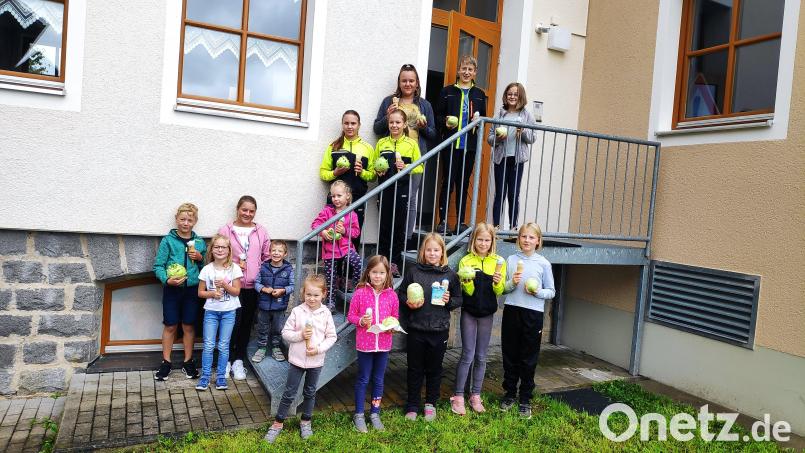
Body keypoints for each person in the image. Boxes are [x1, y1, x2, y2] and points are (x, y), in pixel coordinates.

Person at [264, 274, 337, 443]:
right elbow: (285, 333)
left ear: (324, 294)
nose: (312, 298)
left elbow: (331, 337)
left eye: (316, 295)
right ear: (304, 293)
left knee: (310, 392)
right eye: (308, 294)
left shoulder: (325, 313)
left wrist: (318, 349)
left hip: (316, 361)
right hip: (297, 360)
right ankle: (278, 422)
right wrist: (300, 335)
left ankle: (306, 421)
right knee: (289, 392)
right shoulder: (297, 311)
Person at [397, 233, 461, 422]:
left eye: (436, 250)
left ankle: (430, 403)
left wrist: (450, 301)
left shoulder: (449, 274)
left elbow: (459, 298)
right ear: (423, 252)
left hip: (439, 329)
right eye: (428, 250)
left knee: (434, 369)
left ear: (442, 253)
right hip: (416, 328)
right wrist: (407, 302)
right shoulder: (413, 271)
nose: (432, 253)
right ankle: (412, 404)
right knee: (415, 369)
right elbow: (401, 294)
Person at [374, 64, 437, 242]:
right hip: (390, 157)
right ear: (399, 82)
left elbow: (433, 135)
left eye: (411, 80)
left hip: (414, 156)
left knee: (409, 199)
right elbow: (377, 128)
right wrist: (387, 116)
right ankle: (387, 238)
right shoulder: (389, 101)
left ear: (417, 83)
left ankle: (406, 238)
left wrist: (424, 128)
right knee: (386, 198)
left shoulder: (424, 105)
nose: (407, 84)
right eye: (404, 80)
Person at [501, 222, 555, 419]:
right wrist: (511, 283)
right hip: (512, 310)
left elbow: (551, 292)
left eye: (532, 237)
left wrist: (537, 291)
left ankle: (525, 398)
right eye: (524, 236)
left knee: (528, 356)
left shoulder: (543, 263)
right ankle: (509, 393)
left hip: (533, 314)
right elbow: (504, 289)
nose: (527, 240)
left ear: (538, 241)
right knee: (510, 354)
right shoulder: (511, 259)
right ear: (518, 239)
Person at [450, 222, 506, 415]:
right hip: (469, 312)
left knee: (481, 356)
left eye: (487, 240)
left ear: (492, 242)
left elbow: (498, 292)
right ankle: (458, 396)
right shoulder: (466, 261)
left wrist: (499, 283)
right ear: (474, 240)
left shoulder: (499, 261)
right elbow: (469, 293)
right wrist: (467, 284)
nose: (483, 243)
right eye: (480, 239)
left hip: (487, 314)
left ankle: (475, 395)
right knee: (467, 354)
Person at [218, 195, 271, 381]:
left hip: (252, 287)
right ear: (237, 209)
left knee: (246, 324)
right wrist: (230, 268)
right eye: (244, 210)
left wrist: (262, 279)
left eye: (251, 211)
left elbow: (267, 257)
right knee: (230, 324)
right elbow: (218, 254)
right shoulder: (226, 230)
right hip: (231, 286)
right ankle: (225, 361)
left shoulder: (261, 231)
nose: (247, 214)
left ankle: (239, 360)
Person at [153, 202, 207, 381]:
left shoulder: (199, 243)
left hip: (191, 290)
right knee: (170, 325)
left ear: (195, 222)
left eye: (189, 220)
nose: (185, 223)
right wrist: (166, 280)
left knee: (189, 325)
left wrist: (200, 258)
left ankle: (188, 361)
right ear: (176, 220)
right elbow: (158, 265)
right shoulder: (168, 241)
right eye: (182, 219)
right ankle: (166, 362)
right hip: (172, 290)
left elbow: (204, 267)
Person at [436, 55, 487, 235]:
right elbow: (438, 117)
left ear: (475, 73)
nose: (466, 72)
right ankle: (442, 222)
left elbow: (484, 121)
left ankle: (460, 223)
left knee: (463, 184)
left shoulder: (479, 95)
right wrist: (446, 122)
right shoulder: (447, 91)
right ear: (458, 70)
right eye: (463, 68)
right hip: (451, 145)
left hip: (469, 147)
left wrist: (478, 120)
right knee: (448, 183)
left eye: (470, 69)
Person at [347, 255, 399, 433]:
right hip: (365, 344)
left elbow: (395, 317)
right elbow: (351, 316)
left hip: (384, 344)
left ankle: (375, 413)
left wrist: (392, 326)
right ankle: (359, 414)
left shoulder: (392, 295)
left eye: (381, 273)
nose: (378, 276)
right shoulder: (360, 292)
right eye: (374, 272)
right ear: (368, 273)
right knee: (363, 378)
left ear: (387, 275)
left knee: (378, 379)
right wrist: (361, 321)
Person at [373, 108, 422, 277]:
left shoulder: (411, 144)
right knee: (384, 227)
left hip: (402, 190)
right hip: (385, 190)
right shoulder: (381, 143)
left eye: (398, 122)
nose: (394, 125)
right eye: (391, 122)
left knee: (399, 227)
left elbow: (420, 166)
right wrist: (377, 171)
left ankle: (394, 263)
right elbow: (374, 166)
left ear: (404, 124)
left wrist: (406, 167)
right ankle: (381, 263)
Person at [195, 234, 243, 391]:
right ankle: (205, 377)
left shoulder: (234, 268)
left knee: (223, 345)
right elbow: (200, 293)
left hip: (229, 312)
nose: (220, 249)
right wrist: (212, 294)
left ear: (229, 250)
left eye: (224, 247)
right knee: (208, 345)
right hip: (211, 312)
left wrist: (224, 285)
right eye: (217, 247)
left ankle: (221, 377)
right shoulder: (206, 269)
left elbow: (236, 291)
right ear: (212, 249)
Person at [487, 82, 536, 230]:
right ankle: (496, 226)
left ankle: (513, 227)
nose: (512, 97)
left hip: (517, 160)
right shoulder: (501, 114)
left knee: (513, 194)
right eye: (510, 94)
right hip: (501, 159)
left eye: (515, 94)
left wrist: (524, 132)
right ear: (506, 96)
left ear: (520, 96)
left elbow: (533, 137)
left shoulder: (526, 115)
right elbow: (490, 138)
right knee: (499, 194)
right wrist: (497, 138)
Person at [311, 180, 362, 311]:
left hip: (346, 248)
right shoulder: (327, 212)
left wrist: (345, 231)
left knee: (357, 262)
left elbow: (356, 233)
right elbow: (315, 225)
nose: (335, 199)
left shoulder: (352, 214)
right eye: (333, 196)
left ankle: (356, 288)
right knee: (331, 278)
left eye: (339, 195)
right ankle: (331, 302)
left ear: (347, 196)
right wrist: (323, 232)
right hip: (330, 251)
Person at [320, 110, 375, 229]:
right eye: (346, 123)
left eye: (353, 123)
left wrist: (362, 172)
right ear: (342, 124)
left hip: (358, 198)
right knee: (332, 233)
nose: (350, 126)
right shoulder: (333, 146)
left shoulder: (368, 148)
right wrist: (335, 173)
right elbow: (323, 173)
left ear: (359, 125)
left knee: (354, 234)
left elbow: (373, 176)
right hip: (336, 199)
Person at [252, 240, 294, 363]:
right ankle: (261, 348)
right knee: (262, 327)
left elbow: (292, 286)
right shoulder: (264, 267)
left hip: (280, 305)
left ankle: (276, 347)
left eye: (280, 251)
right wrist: (264, 289)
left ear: (285, 254)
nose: (276, 253)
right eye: (273, 250)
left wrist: (283, 290)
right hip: (264, 305)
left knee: (277, 328)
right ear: (269, 252)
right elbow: (256, 283)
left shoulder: (288, 269)